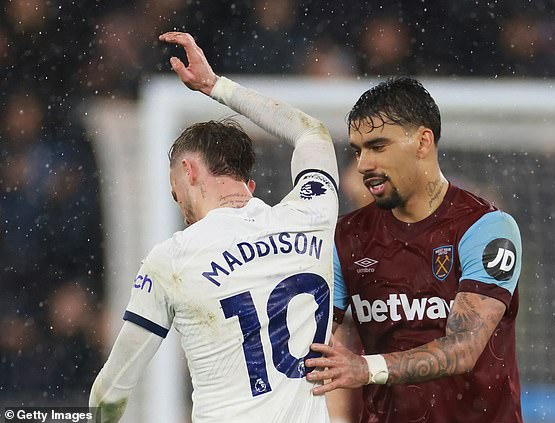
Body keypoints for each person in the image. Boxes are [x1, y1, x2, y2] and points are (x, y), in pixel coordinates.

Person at [89, 32, 339, 423]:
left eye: (175, 194)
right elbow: (311, 133)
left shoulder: (173, 258)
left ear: (187, 171)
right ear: (247, 183)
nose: (181, 209)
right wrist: (214, 85)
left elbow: (112, 389)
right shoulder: (312, 216)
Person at [305, 77, 523, 422]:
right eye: (357, 150)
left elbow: (463, 348)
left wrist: (365, 368)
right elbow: (308, 338)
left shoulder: (485, 228)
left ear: (423, 142)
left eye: (378, 147)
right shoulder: (344, 237)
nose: (363, 164)